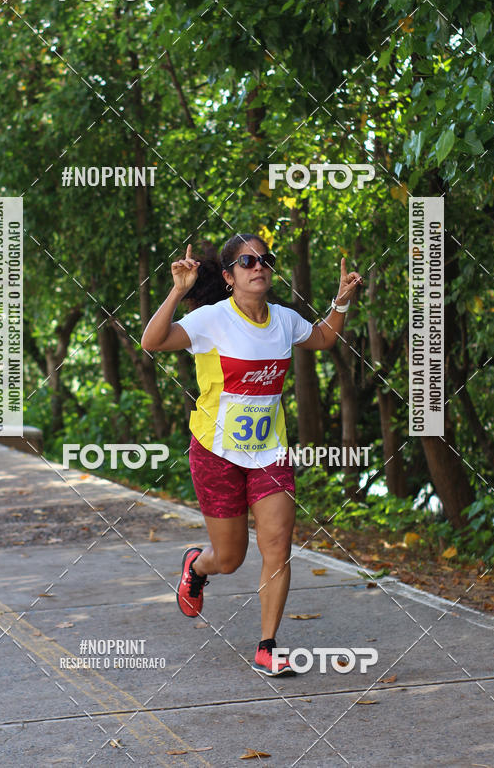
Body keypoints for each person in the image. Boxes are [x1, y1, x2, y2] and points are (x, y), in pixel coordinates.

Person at [141, 234, 362, 675]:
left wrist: (340, 303)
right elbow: (152, 341)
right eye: (247, 261)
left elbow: (320, 340)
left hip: (269, 454)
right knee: (230, 558)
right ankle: (196, 566)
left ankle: (267, 646)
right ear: (229, 276)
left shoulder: (283, 320)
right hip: (215, 453)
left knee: (278, 546)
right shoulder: (210, 320)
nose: (259, 266)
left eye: (265, 259)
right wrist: (179, 290)